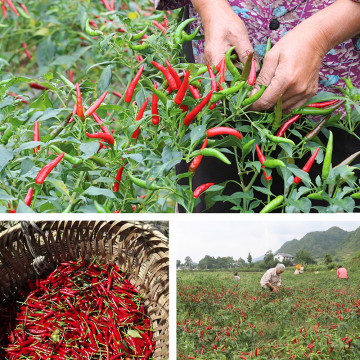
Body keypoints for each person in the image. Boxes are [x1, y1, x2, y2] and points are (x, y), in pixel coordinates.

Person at [155, 0, 360, 212]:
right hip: (213, 95)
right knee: (211, 218)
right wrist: (211, 8)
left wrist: (321, 36)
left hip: (337, 109)